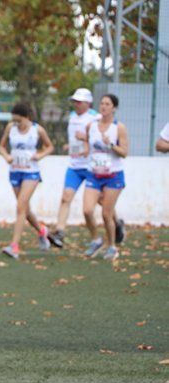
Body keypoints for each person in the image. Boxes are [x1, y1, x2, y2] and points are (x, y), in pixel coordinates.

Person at [0, 102, 54, 259]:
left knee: (21, 206)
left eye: (19, 121)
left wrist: (40, 155)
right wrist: (6, 156)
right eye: (14, 120)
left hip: (31, 172)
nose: (16, 123)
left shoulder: (37, 130)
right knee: (25, 210)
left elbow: (50, 146)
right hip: (15, 172)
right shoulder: (11, 128)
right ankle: (42, 231)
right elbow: (1, 147)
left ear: (27, 117)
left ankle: (14, 246)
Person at [48, 88, 100, 248]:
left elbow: (100, 141)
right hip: (75, 165)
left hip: (92, 166)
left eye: (79, 101)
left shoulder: (96, 118)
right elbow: (75, 139)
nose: (76, 104)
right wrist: (70, 145)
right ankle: (60, 232)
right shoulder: (71, 117)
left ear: (88, 103)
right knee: (66, 197)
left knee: (104, 202)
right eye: (74, 101)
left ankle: (116, 223)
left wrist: (85, 138)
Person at [81, 93, 128, 261]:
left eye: (107, 104)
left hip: (113, 175)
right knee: (87, 210)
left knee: (107, 214)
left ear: (114, 108)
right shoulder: (91, 125)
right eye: (102, 103)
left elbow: (124, 153)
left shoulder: (118, 127)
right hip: (94, 173)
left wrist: (111, 144)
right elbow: (88, 142)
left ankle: (112, 246)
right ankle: (96, 239)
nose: (104, 106)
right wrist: (85, 149)